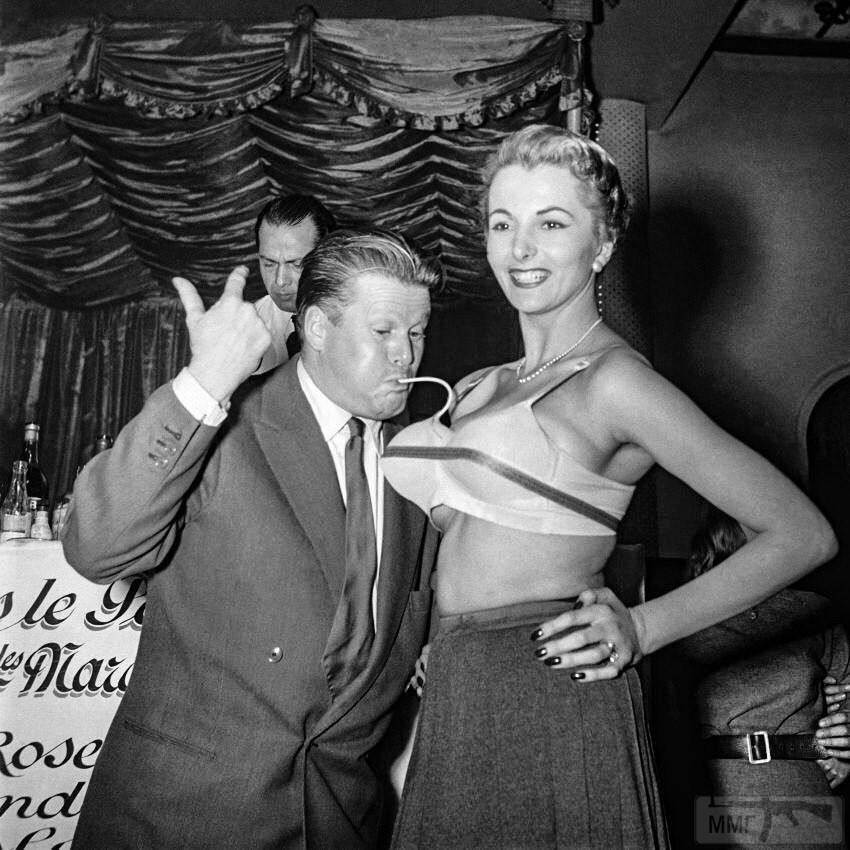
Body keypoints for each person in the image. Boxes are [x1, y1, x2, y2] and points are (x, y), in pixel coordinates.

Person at [380, 124, 837, 848]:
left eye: (551, 224)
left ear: (601, 245)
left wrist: (644, 627)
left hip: (552, 677)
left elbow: (802, 534)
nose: (520, 249)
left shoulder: (617, 382)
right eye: (503, 224)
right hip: (460, 677)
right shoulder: (479, 384)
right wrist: (447, 638)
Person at [62, 229, 441, 849]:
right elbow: (98, 547)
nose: (406, 355)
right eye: (384, 331)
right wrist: (203, 382)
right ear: (316, 328)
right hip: (185, 820)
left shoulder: (425, 462)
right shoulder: (223, 425)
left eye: (418, 332)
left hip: (338, 823)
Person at [676, 509, 849, 848]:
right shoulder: (683, 616)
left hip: (805, 787)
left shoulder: (813, 609)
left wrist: (844, 747)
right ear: (725, 543)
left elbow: (847, 685)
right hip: (720, 788)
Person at [253, 193, 336, 373]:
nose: (280, 281)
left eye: (296, 264)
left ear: (328, 257)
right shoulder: (253, 321)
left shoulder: (363, 318)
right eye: (269, 264)